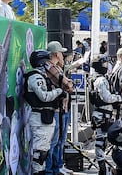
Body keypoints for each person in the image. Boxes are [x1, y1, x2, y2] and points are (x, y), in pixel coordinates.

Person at [24, 49, 66, 175]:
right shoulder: (35, 76)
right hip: (40, 118)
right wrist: (59, 91)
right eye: (46, 61)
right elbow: (44, 96)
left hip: (45, 118)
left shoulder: (42, 76)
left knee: (44, 151)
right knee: (39, 154)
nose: (48, 64)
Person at [43, 41, 74, 175]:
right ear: (56, 54)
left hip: (62, 108)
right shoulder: (50, 67)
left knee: (60, 140)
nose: (63, 55)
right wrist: (69, 84)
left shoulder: (58, 67)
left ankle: (58, 166)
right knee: (54, 141)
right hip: (56, 109)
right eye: (61, 53)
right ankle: (52, 169)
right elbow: (67, 84)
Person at [89, 54, 122, 175]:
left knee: (103, 140)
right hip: (102, 114)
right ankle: (102, 167)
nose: (107, 65)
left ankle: (102, 165)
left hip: (103, 113)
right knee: (101, 141)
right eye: (104, 63)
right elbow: (106, 97)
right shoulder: (100, 80)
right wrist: (118, 97)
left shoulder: (97, 78)